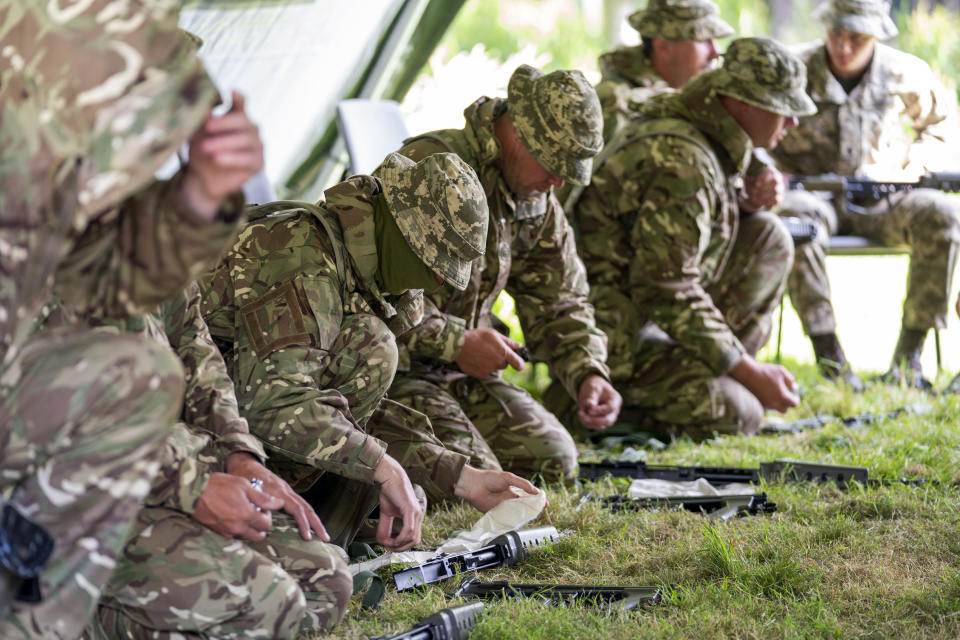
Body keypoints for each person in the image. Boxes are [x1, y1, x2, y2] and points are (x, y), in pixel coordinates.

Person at [0, 2, 262, 637]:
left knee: (136, 373)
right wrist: (191, 480)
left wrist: (200, 196)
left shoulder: (42, 179)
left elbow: (113, 282)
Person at [200, 152, 536, 547]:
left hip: (220, 419)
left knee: (400, 488)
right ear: (402, 230)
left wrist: (461, 477)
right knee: (373, 350)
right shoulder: (300, 256)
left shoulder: (350, 265)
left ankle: (290, 522)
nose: (440, 280)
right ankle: (252, 528)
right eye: (436, 262)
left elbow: (346, 413)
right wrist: (380, 466)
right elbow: (275, 405)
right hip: (170, 434)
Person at [64, 284, 352, 639]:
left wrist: (239, 454)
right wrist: (190, 486)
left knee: (327, 583)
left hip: (166, 469)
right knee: (270, 605)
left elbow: (194, 346)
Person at [387, 64, 622, 485]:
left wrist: (587, 370)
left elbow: (559, 299)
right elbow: (375, 295)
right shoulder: (433, 167)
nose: (556, 182)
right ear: (516, 132)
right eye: (553, 164)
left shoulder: (532, 194)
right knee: (476, 482)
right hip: (393, 374)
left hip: (464, 375)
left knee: (554, 462)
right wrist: (455, 342)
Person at [570, 37, 815, 439]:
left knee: (768, 235)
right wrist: (749, 373)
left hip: (646, 312)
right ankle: (606, 400)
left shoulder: (700, 128)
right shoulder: (684, 160)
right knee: (742, 414)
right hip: (612, 337)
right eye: (783, 110)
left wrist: (747, 197)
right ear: (742, 103)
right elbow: (666, 288)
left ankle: (706, 373)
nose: (793, 123)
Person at [771, 0, 960, 390]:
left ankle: (908, 359)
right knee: (795, 218)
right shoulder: (794, 68)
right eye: (835, 34)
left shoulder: (903, 71)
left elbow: (942, 125)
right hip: (812, 194)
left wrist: (918, 163)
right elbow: (755, 125)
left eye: (855, 37)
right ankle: (830, 359)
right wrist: (770, 169)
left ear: (875, 34)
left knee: (941, 213)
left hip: (883, 197)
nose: (843, 46)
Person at [595, 0, 733, 143]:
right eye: (703, 40)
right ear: (663, 46)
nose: (715, 53)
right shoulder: (617, 100)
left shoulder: (685, 96)